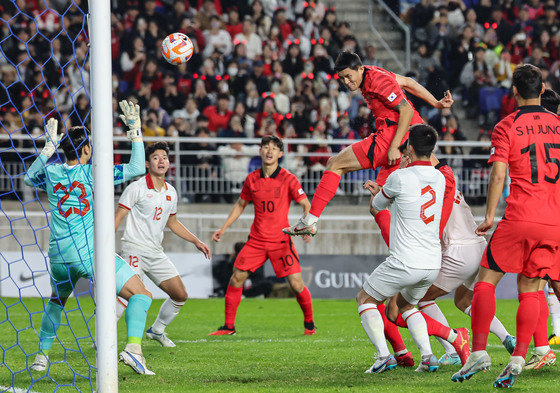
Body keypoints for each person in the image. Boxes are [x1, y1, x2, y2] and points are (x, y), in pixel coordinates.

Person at [25, 102, 155, 375]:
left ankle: (41, 357)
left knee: (57, 301)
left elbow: (28, 178)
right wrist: (135, 131)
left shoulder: (52, 172)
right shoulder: (94, 172)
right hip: (87, 255)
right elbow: (135, 169)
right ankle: (133, 349)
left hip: (59, 255)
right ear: (86, 149)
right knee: (141, 295)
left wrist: (48, 149)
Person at [452, 65, 560, 388]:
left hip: (519, 216)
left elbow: (499, 174)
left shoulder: (506, 127)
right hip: (553, 221)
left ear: (513, 93)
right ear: (542, 90)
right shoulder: (558, 124)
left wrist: (488, 215)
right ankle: (519, 356)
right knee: (531, 289)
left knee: (486, 281)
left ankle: (480, 353)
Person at [366, 143, 515, 367]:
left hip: (457, 252)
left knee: (407, 303)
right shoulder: (443, 180)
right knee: (463, 300)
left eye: (406, 156)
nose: (404, 161)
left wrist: (382, 198)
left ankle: (452, 346)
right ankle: (507, 337)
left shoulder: (424, 183)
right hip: (478, 246)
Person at [283, 51, 454, 237]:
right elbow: (408, 82)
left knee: (335, 163)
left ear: (360, 69)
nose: (347, 82)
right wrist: (436, 103)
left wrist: (395, 146)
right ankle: (400, 252)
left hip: (395, 136)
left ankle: (309, 221)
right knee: (376, 206)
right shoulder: (373, 73)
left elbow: (405, 110)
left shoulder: (376, 81)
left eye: (349, 76)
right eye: (342, 78)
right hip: (406, 138)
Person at [356, 124, 468, 374]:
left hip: (405, 260)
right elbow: (411, 202)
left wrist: (380, 191)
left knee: (365, 299)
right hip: (431, 262)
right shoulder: (440, 178)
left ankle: (385, 356)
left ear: (409, 147)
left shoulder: (400, 176)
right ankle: (428, 357)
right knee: (407, 307)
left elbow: (378, 205)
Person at [209, 135, 315, 336]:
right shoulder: (251, 179)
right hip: (257, 241)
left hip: (281, 241)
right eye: (265, 147)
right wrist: (223, 228)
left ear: (280, 154)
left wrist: (306, 227)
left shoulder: (288, 178)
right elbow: (240, 205)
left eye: (274, 148)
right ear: (260, 151)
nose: (269, 151)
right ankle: (228, 327)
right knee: (236, 278)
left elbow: (305, 204)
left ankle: (309, 324)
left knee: (296, 284)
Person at [114, 141, 211, 348]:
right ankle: (103, 339)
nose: (161, 161)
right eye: (156, 157)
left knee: (180, 294)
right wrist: (103, 246)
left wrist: (196, 241)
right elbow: (118, 218)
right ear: (147, 164)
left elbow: (172, 222)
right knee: (127, 297)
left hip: (155, 252)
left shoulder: (171, 192)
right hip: (134, 249)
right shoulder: (136, 188)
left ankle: (157, 330)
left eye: (165, 158)